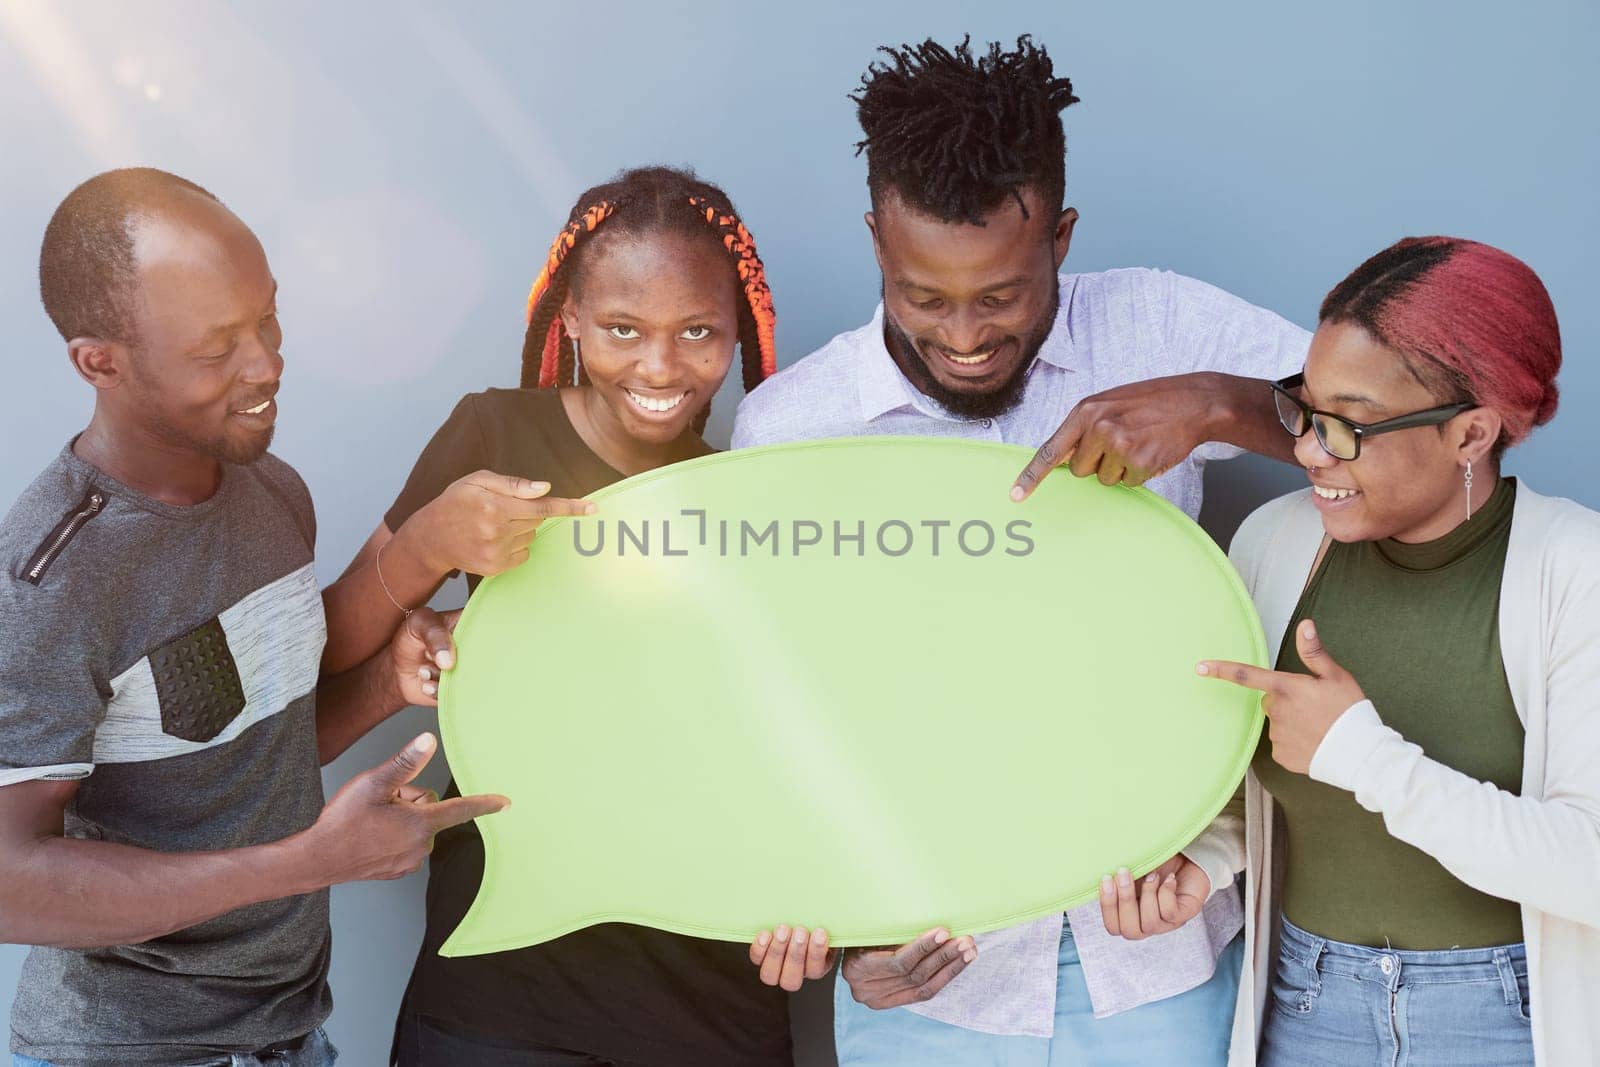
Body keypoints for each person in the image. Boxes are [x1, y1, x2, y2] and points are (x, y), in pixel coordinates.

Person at [732, 36, 1307, 1065]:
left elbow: (1399, 427)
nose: (962, 336)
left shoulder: (1161, 324)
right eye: (924, 297)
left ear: (1061, 237)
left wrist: (1217, 403)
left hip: (1157, 954)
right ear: (875, 242)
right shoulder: (790, 429)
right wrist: (840, 926)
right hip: (924, 982)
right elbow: (775, 704)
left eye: (1001, 295)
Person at [0, 168, 507, 1067]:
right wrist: (314, 860)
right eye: (216, 348)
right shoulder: (52, 582)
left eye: (267, 318)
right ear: (100, 361)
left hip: (286, 1038)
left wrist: (388, 682)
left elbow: (241, 760)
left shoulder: (271, 493)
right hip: (125, 1052)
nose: (268, 364)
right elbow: (7, 882)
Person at [315, 166, 806, 1067]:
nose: (660, 368)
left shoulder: (763, 496)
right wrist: (428, 542)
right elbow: (318, 668)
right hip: (502, 991)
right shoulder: (495, 438)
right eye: (623, 329)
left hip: (711, 995)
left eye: (697, 331)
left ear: (738, 328)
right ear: (570, 318)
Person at [1195, 236, 1599, 1065]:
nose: (1308, 448)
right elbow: (1253, 786)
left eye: (1348, 424)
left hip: (1506, 1018)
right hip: (1306, 1005)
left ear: (1471, 435)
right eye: (1303, 408)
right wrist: (1202, 863)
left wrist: (1363, 754)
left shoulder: (1576, 571)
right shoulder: (1272, 545)